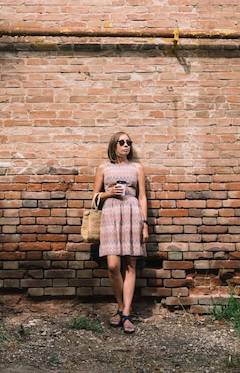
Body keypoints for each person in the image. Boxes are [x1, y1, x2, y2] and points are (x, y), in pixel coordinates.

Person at [93, 131, 148, 334]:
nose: (126, 145)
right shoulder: (103, 168)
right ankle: (121, 305)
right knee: (113, 265)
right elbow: (95, 199)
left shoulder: (137, 168)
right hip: (110, 215)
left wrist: (145, 223)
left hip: (132, 214)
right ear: (113, 145)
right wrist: (109, 193)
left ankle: (125, 313)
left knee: (131, 264)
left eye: (129, 142)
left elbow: (142, 197)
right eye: (122, 142)